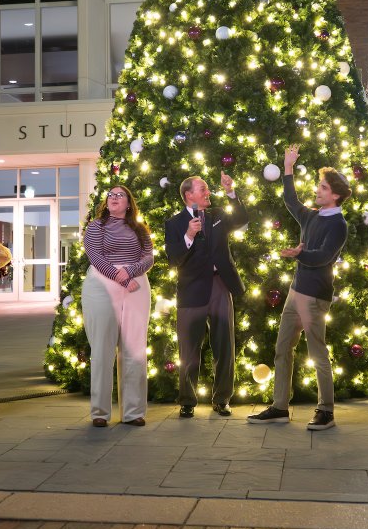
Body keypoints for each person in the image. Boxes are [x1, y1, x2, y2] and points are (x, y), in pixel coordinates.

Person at [248, 144, 350, 431]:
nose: (317, 190)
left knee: (317, 353)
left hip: (315, 296)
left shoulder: (338, 225)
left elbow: (323, 257)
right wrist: (288, 167)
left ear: (336, 195)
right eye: (319, 185)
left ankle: (325, 411)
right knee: (282, 349)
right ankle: (280, 407)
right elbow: (291, 200)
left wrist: (298, 254)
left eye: (323, 187)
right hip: (295, 293)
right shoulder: (311, 216)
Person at [164, 171, 249, 418]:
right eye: (203, 189)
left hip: (220, 286)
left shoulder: (219, 216)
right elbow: (174, 259)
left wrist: (231, 192)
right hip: (191, 291)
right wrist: (188, 236)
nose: (208, 192)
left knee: (225, 346)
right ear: (188, 195)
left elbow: (242, 217)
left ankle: (222, 399)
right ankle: (187, 401)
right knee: (189, 350)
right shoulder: (175, 223)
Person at [82, 185, 154, 427]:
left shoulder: (140, 228)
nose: (113, 198)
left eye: (119, 195)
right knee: (102, 349)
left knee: (134, 349)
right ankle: (100, 412)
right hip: (102, 286)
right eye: (110, 195)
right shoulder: (96, 227)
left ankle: (133, 412)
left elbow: (148, 257)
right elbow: (95, 256)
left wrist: (131, 272)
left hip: (136, 287)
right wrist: (119, 275)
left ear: (129, 203)